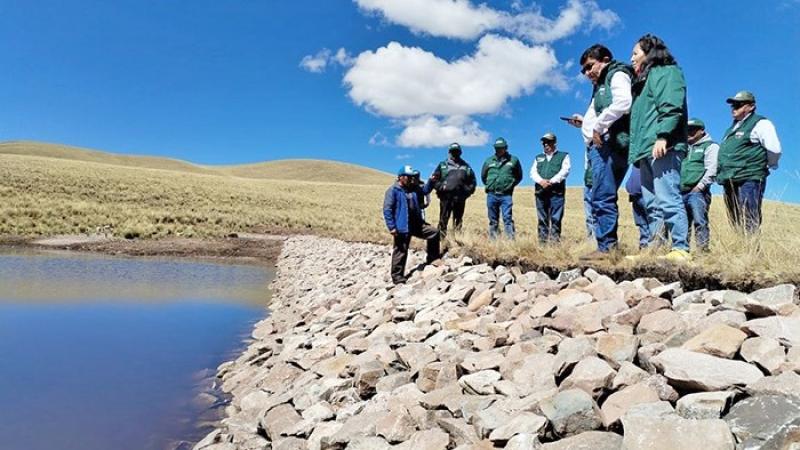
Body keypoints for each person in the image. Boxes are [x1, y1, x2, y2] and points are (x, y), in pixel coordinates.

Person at [629, 34, 691, 262]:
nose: (631, 58)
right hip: (645, 149)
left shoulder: (665, 72)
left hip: (663, 145)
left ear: (649, 52)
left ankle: (681, 248)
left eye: (635, 53)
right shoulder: (643, 83)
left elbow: (671, 106)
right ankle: (655, 249)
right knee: (652, 203)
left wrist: (663, 136)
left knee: (668, 197)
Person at [570, 44, 633, 261]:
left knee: (602, 196)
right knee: (600, 195)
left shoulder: (616, 74)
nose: (587, 73)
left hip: (608, 144)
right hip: (601, 144)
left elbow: (624, 103)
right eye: (583, 71)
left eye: (589, 67)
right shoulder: (600, 85)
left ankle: (607, 248)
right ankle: (605, 246)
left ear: (605, 59)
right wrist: (585, 123)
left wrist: (598, 126)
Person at [716, 91, 782, 234]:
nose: (734, 108)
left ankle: (751, 252)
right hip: (729, 179)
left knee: (749, 216)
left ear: (751, 106)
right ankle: (740, 249)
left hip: (749, 178)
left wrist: (765, 165)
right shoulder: (731, 129)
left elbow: (774, 149)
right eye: (733, 105)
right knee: (734, 218)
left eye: (739, 105)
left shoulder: (761, 123)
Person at [383, 165, 441, 284]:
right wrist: (392, 227)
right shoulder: (393, 190)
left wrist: (431, 181)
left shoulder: (414, 188)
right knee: (400, 251)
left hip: (416, 224)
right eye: (408, 177)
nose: (411, 179)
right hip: (402, 226)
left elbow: (425, 190)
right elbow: (387, 210)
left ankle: (432, 258)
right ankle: (397, 277)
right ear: (401, 177)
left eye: (412, 177)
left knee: (434, 233)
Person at [680, 118, 719, 250]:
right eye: (687, 130)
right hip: (681, 192)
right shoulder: (683, 148)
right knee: (682, 223)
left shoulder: (710, 146)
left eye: (693, 129)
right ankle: (682, 251)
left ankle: (702, 253)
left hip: (698, 193)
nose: (689, 132)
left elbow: (712, 169)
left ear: (701, 131)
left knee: (700, 221)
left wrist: (699, 187)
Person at [531, 132, 571, 243]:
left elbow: (565, 171)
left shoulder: (563, 156)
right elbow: (533, 172)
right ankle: (542, 243)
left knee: (556, 219)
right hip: (540, 192)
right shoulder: (538, 157)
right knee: (542, 219)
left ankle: (554, 244)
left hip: (556, 193)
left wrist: (551, 181)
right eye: (544, 142)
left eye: (548, 142)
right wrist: (541, 181)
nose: (545, 144)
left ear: (554, 143)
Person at [431, 143, 477, 237]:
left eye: (457, 151)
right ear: (449, 152)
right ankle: (441, 238)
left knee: (458, 219)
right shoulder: (443, 165)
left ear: (460, 152)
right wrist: (441, 187)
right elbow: (434, 179)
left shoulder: (466, 166)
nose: (455, 153)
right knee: (443, 218)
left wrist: (467, 191)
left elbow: (473, 181)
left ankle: (457, 238)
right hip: (446, 197)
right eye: (453, 151)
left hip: (460, 197)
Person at [481, 137, 523, 240]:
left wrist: (510, 185)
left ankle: (510, 241)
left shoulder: (513, 160)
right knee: (493, 219)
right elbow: (483, 176)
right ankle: (493, 241)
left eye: (501, 148)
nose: (498, 150)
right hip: (492, 195)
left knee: (507, 218)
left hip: (506, 195)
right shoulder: (488, 161)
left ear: (506, 148)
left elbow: (519, 176)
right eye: (496, 148)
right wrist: (490, 185)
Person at [625, 166, 651, 249]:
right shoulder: (635, 160)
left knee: (651, 221)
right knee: (641, 223)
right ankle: (644, 246)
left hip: (646, 195)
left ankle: (652, 247)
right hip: (635, 196)